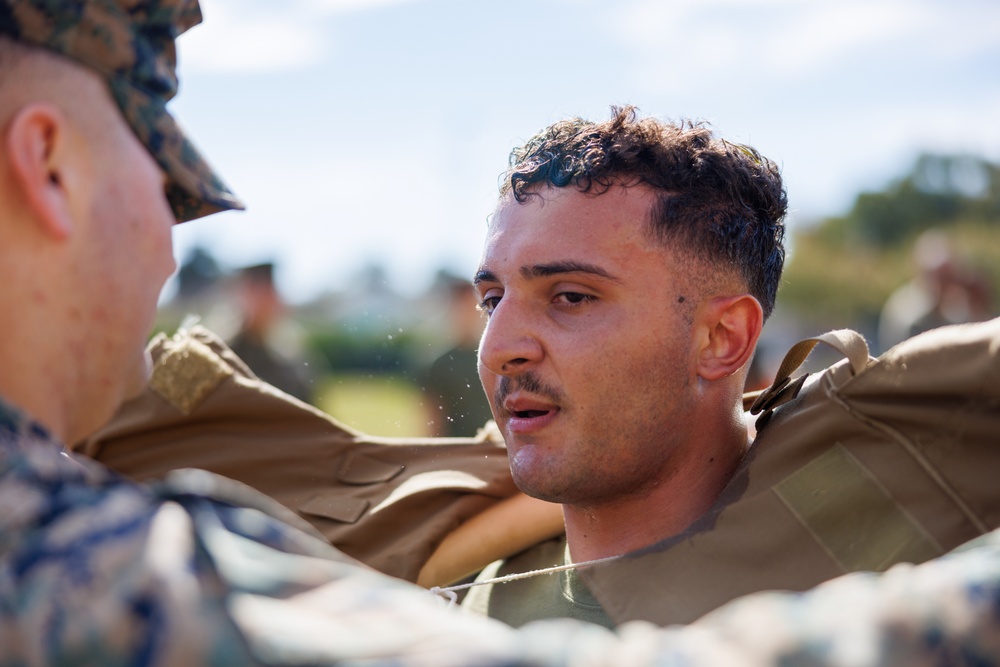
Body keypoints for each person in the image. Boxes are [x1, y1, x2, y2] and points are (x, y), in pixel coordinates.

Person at [462, 107, 787, 626]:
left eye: (570, 296)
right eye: (493, 300)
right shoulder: (472, 600)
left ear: (721, 338)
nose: (497, 348)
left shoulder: (840, 607)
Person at [226, 261, 315, 403]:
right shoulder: (221, 353)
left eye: (268, 291)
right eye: (255, 289)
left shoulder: (289, 360)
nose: (263, 300)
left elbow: (310, 416)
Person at [421, 272, 494, 436]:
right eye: (461, 307)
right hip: (455, 452)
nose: (467, 314)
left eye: (472, 306)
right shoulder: (440, 364)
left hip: (493, 451)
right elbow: (432, 422)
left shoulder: (494, 359)